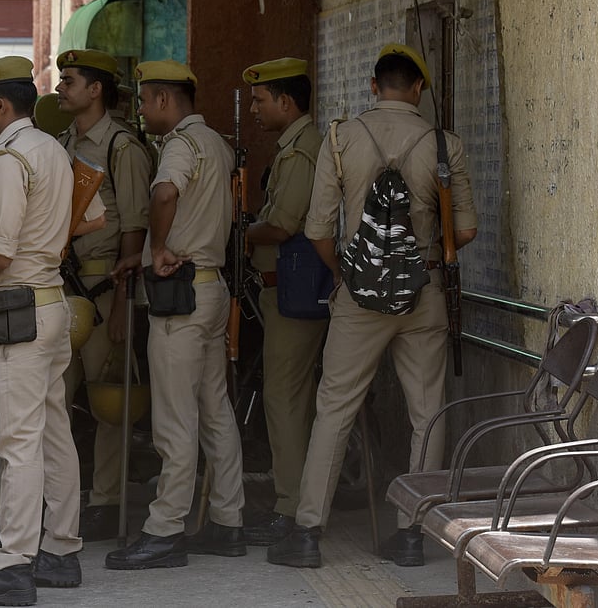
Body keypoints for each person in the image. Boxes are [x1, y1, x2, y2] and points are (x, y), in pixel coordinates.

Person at [267, 43, 477, 569]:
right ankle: (413, 534)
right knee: (426, 413)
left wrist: (347, 274)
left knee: (334, 407)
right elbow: (466, 230)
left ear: (373, 87)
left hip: (357, 298)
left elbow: (317, 230)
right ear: (419, 90)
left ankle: (308, 533)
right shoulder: (444, 145)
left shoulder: (339, 138)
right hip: (423, 294)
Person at [0, 56, 102, 606]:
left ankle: (13, 562)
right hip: (53, 303)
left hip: (19, 310)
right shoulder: (56, 150)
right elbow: (97, 216)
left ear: (2, 105)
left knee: (18, 440)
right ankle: (61, 549)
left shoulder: (12, 156)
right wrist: (48, 240)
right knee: (54, 432)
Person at [106, 59, 246, 570]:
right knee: (216, 411)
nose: (141, 110)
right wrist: (142, 254)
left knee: (173, 419)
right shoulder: (216, 143)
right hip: (210, 289)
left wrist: (157, 248)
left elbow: (165, 194)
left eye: (144, 100)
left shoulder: (180, 146)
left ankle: (165, 530)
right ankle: (227, 520)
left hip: (179, 300)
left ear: (164, 99)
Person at [54, 48, 151, 541]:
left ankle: (108, 500)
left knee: (109, 401)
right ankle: (60, 500)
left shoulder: (121, 147)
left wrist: (124, 307)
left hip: (108, 286)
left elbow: (135, 228)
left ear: (96, 90)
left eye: (68, 80)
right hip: (65, 288)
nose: (59, 88)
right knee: (55, 398)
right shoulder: (62, 142)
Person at [239, 57, 329, 546]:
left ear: (286, 102)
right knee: (292, 398)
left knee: (283, 397)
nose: (254, 108)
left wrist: (237, 233)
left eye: (260, 99)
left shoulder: (300, 153)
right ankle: (296, 500)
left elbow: (282, 225)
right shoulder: (299, 147)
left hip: (292, 293)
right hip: (289, 290)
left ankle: (292, 507)